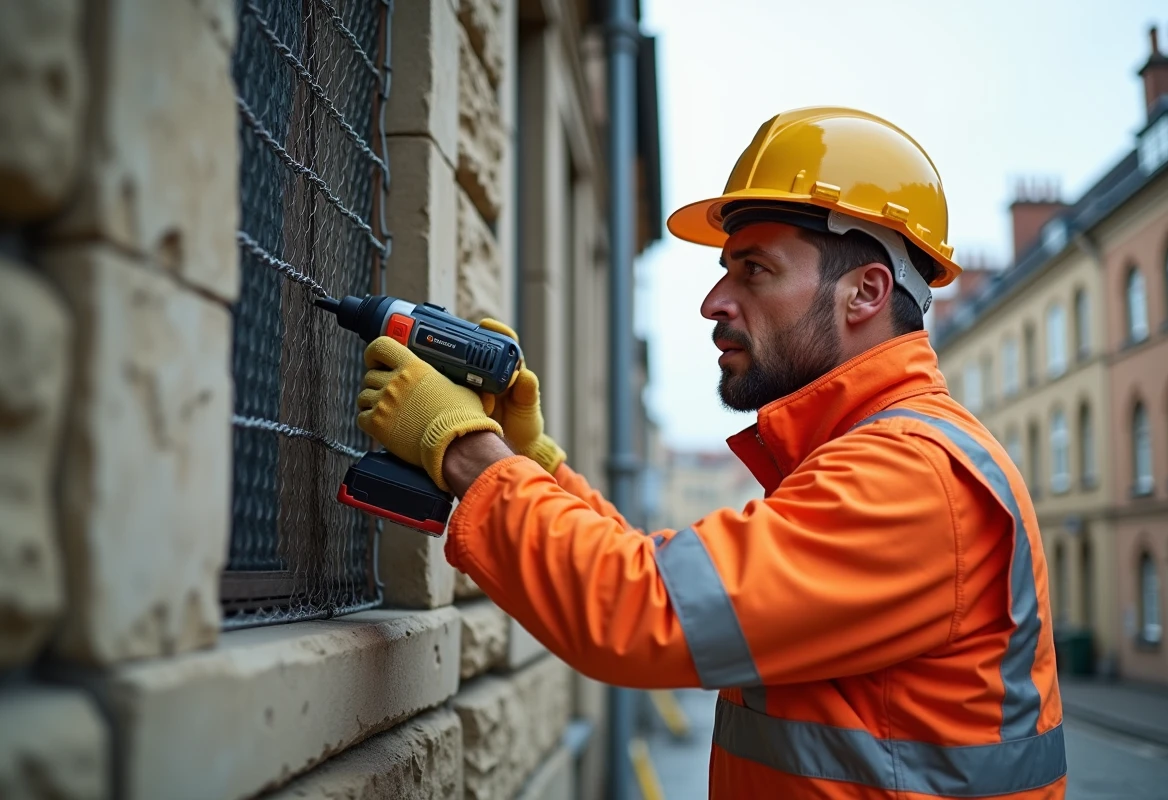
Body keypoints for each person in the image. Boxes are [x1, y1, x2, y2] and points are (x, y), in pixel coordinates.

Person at [354, 107, 1067, 799]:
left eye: (754, 270)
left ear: (865, 293)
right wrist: (531, 461)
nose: (714, 301)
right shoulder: (867, 458)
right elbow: (671, 579)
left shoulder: (912, 477)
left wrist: (463, 450)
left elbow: (645, 613)